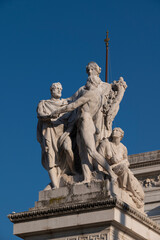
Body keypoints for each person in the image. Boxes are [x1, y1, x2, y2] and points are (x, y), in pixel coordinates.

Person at [50, 75, 114, 182]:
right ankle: (87, 177)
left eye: (87, 82)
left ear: (91, 82)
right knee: (82, 153)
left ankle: (111, 173)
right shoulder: (98, 96)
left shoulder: (90, 93)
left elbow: (73, 105)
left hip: (86, 122)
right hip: (84, 124)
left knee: (92, 151)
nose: (86, 84)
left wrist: (57, 111)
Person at [37, 82, 75, 188]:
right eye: (56, 88)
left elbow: (72, 118)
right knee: (51, 159)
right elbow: (40, 115)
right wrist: (50, 116)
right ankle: (55, 186)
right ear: (51, 90)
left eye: (60, 89)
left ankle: (73, 172)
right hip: (50, 132)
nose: (59, 90)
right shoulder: (44, 103)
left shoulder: (65, 103)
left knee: (68, 149)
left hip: (63, 132)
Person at [98, 127, 144, 208]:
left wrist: (121, 162)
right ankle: (126, 189)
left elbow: (126, 161)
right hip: (108, 169)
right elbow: (99, 158)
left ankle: (127, 190)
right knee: (125, 169)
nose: (114, 131)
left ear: (121, 135)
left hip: (120, 169)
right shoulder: (106, 143)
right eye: (114, 130)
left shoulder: (123, 148)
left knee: (126, 169)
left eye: (117, 130)